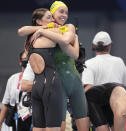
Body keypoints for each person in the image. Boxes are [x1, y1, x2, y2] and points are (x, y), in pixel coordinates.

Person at [18, 1, 89, 130]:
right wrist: (42, 29)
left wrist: (42, 32)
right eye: (60, 12)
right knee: (57, 126)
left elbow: (72, 51)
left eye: (66, 12)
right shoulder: (50, 31)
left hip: (73, 81)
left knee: (83, 122)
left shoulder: (68, 27)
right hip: (56, 85)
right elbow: (22, 31)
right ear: (52, 14)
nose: (64, 15)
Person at [0, 51, 32, 131]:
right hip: (17, 117)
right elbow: (5, 103)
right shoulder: (13, 79)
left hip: (33, 117)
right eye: (25, 60)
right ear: (20, 62)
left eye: (29, 60)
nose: (27, 62)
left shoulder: (37, 79)